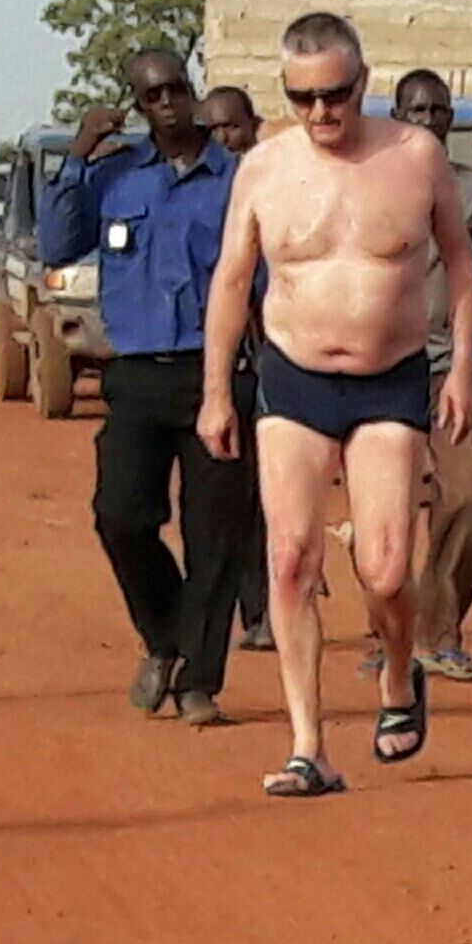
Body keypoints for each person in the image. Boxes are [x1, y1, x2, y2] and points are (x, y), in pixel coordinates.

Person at [197, 12, 472, 798]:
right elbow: (231, 280)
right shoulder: (263, 168)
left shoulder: (413, 156)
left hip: (390, 380)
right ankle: (308, 745)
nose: (321, 113)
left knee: (385, 569)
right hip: (292, 379)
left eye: (335, 95)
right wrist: (217, 389)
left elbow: (460, 265)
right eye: (302, 98)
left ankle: (397, 679)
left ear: (363, 83)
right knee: (289, 559)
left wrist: (461, 370)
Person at [38, 49, 252, 727]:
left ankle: (198, 682)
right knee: (121, 516)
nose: (167, 102)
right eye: (152, 93)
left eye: (176, 88)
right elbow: (56, 244)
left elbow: (265, 278)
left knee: (214, 536)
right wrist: (77, 155)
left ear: (192, 93)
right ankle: (164, 637)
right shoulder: (115, 178)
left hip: (214, 375)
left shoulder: (239, 181)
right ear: (135, 104)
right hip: (133, 376)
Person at [385, 69, 472, 682]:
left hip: (449, 370)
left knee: (468, 496)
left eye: (437, 110)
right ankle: (388, 637)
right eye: (415, 110)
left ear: (451, 117)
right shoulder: (371, 184)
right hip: (378, 368)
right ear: (397, 115)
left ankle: (441, 632)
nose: (427, 120)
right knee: (381, 509)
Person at [199, 85, 274, 653]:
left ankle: (265, 608)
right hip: (224, 363)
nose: (224, 138)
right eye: (214, 128)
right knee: (228, 497)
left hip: (276, 360)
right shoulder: (204, 196)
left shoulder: (278, 185)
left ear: (255, 126)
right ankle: (241, 609)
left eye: (233, 127)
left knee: (269, 494)